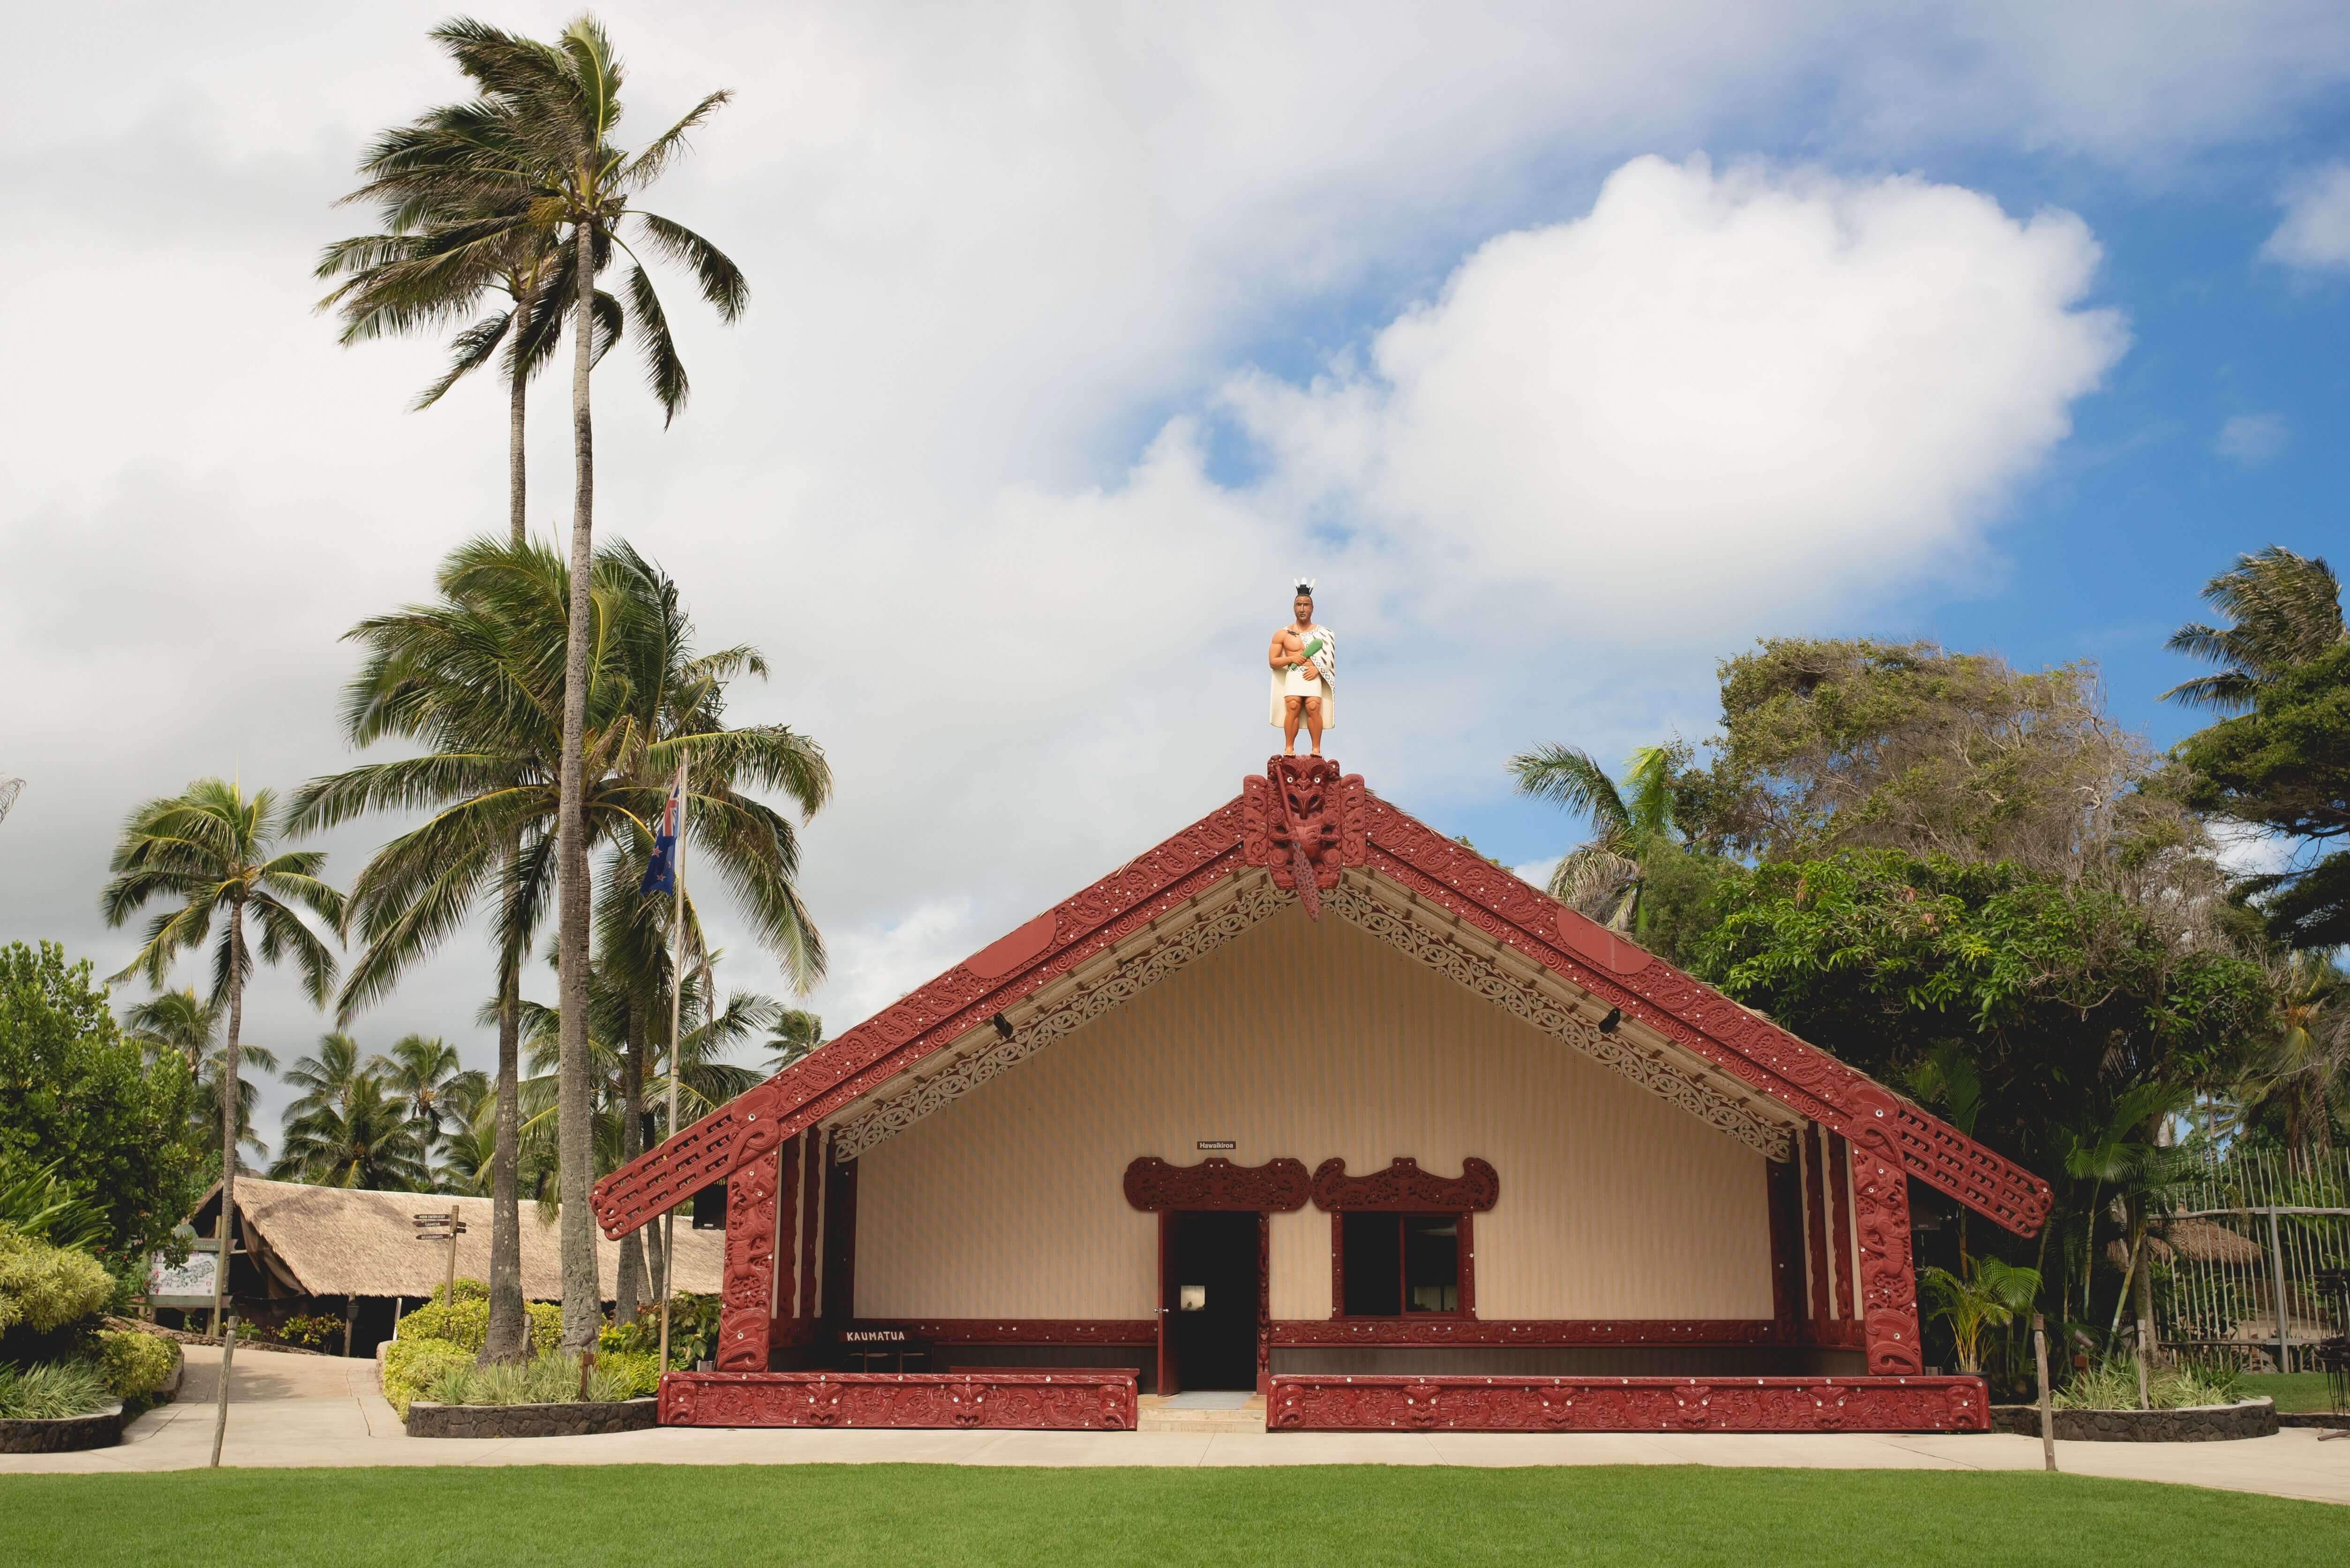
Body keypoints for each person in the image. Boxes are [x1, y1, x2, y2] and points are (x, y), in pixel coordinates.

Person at [1267, 580, 1336, 756]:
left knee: (1314, 707)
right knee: (1293, 706)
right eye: (1299, 605)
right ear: (1294, 608)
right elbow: (1273, 661)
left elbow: (1329, 660)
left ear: (1312, 608)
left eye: (1306, 605)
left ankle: (1316, 749)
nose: (1302, 609)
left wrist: (1318, 670)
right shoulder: (1283, 634)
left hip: (1312, 675)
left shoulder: (1324, 634)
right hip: (1294, 674)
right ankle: (1289, 747)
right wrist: (1292, 658)